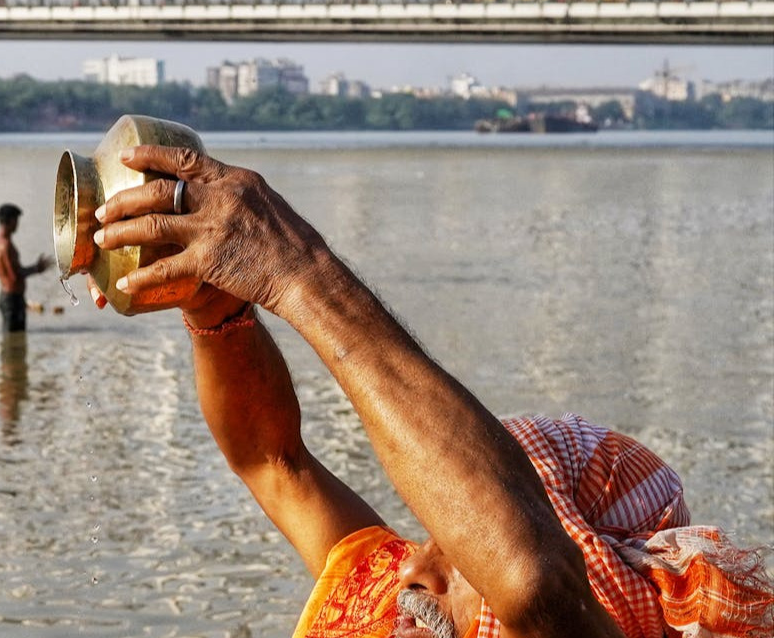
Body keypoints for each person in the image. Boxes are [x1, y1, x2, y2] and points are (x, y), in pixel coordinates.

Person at [85, 145, 774, 638]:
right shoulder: (383, 603)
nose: (411, 567)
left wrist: (299, 269)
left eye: (454, 556)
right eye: (433, 540)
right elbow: (272, 460)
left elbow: (531, 585)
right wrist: (215, 310)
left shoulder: (581, 623)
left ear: (592, 578)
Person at [0, 203, 48, 333]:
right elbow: (15, 275)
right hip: (12, 300)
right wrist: (37, 268)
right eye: (16, 220)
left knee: (13, 342)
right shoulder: (6, 246)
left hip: (9, 297)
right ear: (11, 220)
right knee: (13, 342)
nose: (17, 224)